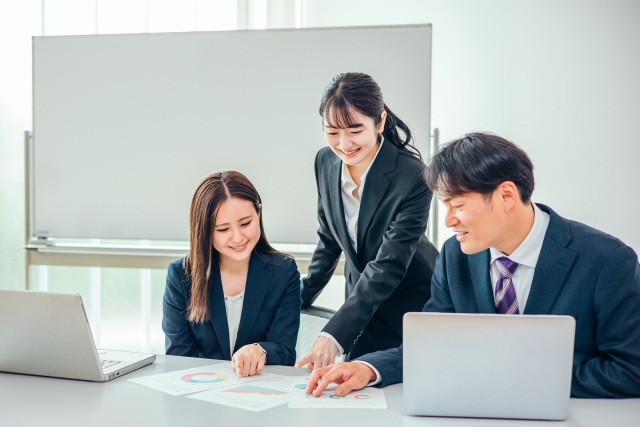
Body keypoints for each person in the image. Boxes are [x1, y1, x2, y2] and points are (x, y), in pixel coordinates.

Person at [306, 132, 640, 399]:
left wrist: (517, 375)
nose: (449, 221)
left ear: (507, 195)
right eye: (444, 205)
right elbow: (431, 345)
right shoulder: (454, 257)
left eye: (458, 205)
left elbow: (630, 371)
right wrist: (369, 368)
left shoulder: (607, 261)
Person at [296, 72, 439, 369]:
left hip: (411, 304)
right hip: (360, 310)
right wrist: (298, 298)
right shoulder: (325, 162)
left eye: (355, 130)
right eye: (332, 131)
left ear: (381, 122)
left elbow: (388, 265)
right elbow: (329, 240)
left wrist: (333, 335)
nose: (344, 143)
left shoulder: (412, 176)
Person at [163, 171, 302, 377]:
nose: (238, 238)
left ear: (259, 213)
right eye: (223, 229)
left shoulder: (284, 272)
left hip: (259, 394)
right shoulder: (181, 276)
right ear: (204, 231)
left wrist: (259, 350)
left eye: (245, 223)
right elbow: (178, 357)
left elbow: (285, 350)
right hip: (201, 393)